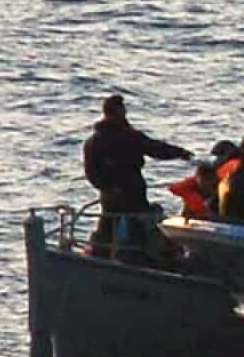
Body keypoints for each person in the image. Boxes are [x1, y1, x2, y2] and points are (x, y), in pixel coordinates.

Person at [83, 94, 193, 250]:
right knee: (135, 228)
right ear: (118, 112)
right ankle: (135, 255)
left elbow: (91, 173)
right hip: (130, 191)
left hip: (110, 194)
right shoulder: (128, 137)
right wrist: (180, 153)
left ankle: (101, 252)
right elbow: (155, 148)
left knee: (108, 226)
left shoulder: (94, 141)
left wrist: (107, 187)